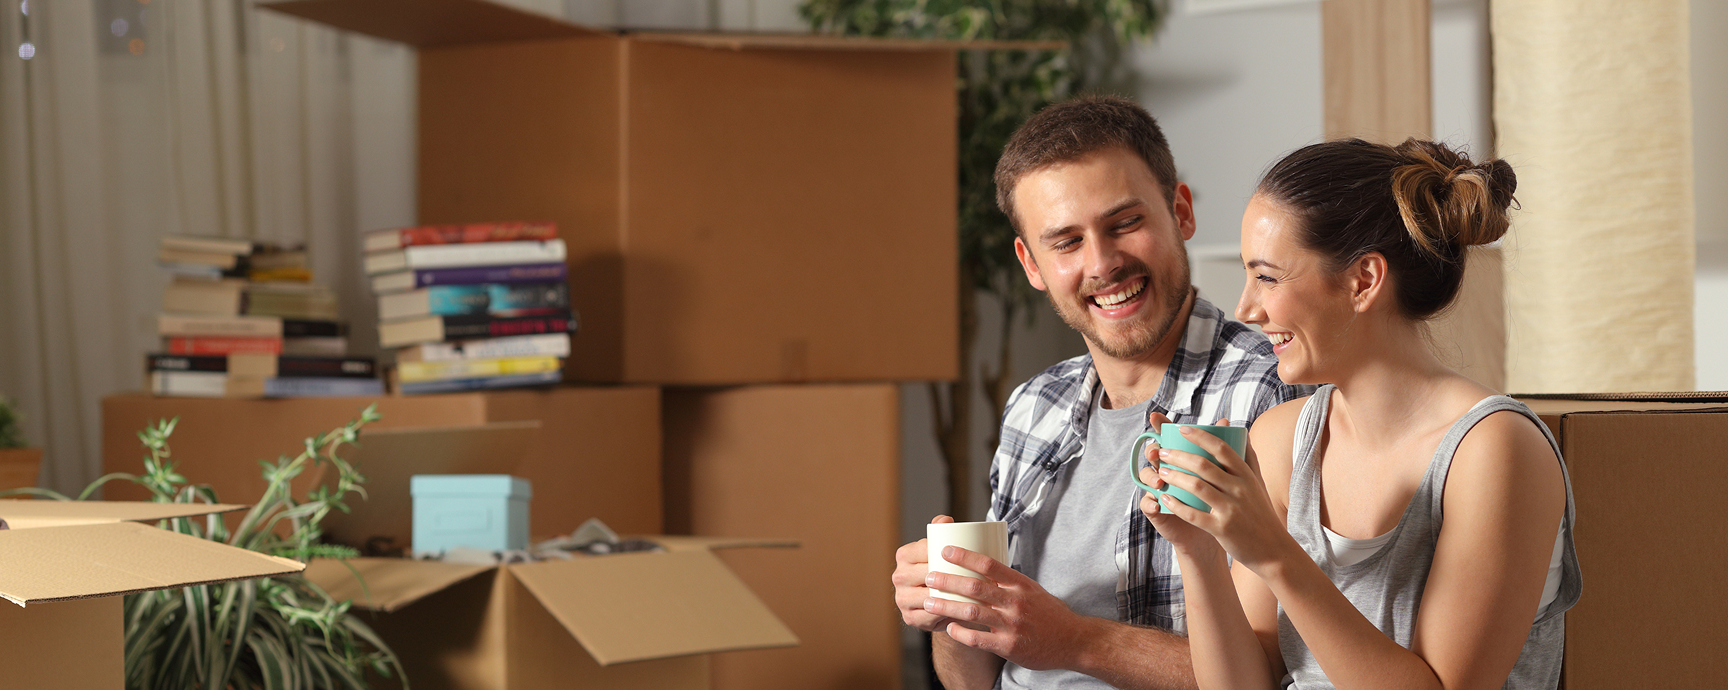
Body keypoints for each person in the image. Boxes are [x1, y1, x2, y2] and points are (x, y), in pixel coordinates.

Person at [889, 95, 1309, 690]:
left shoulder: (1274, 393)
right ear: (1031, 264)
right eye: (1066, 242)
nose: (1103, 263)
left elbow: (1278, 670)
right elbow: (973, 681)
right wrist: (949, 612)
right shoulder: (1034, 407)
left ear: (1181, 212)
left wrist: (1073, 639)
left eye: (1125, 224)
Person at [1137, 138, 1581, 689]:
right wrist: (1199, 551)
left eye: (1267, 277)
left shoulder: (1493, 450)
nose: (1245, 309)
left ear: (1364, 280)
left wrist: (1273, 553)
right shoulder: (1281, 440)